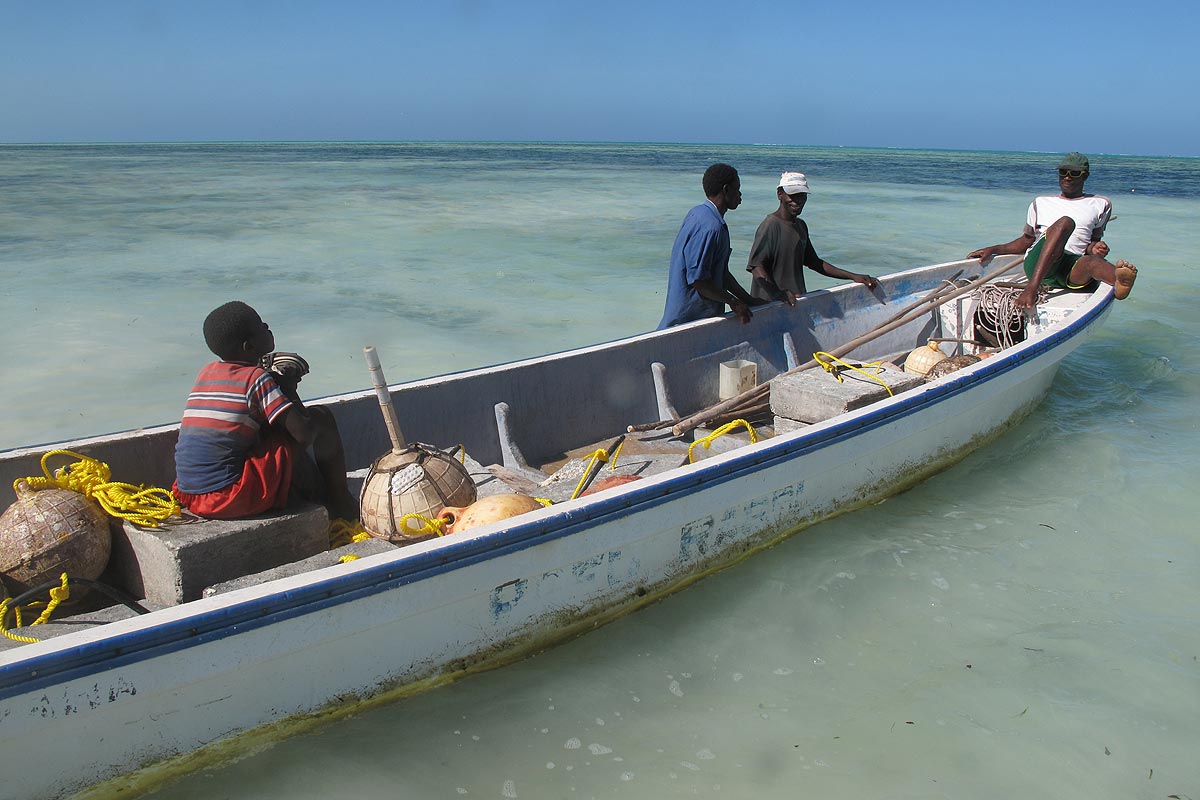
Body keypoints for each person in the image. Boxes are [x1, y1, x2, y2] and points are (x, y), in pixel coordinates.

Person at [173, 301, 358, 522]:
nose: (267, 327)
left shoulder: (207, 372)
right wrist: (287, 389)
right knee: (321, 417)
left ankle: (306, 492)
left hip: (189, 493)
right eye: (261, 326)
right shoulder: (256, 378)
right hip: (229, 496)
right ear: (248, 347)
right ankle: (341, 501)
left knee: (269, 429)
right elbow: (304, 433)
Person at [967, 152, 1138, 308]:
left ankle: (1119, 283)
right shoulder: (1040, 202)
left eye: (1074, 173)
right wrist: (994, 249)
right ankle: (1032, 287)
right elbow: (1027, 240)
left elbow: (1091, 243)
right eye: (1063, 172)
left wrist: (1095, 249)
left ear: (1085, 175)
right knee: (1065, 223)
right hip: (1038, 265)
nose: (1067, 177)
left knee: (1093, 262)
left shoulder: (1101, 204)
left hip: (1069, 267)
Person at [657, 163, 764, 329]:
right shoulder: (711, 227)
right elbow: (699, 280)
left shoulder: (698, 213)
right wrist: (733, 302)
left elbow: (721, 274)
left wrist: (747, 300)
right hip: (688, 323)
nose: (740, 195)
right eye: (737, 189)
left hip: (696, 319)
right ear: (726, 190)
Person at [747, 171, 878, 305]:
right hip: (770, 305)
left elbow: (815, 262)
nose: (797, 201)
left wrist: (853, 276)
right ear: (780, 195)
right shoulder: (770, 225)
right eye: (792, 195)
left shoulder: (800, 226)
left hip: (795, 301)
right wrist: (776, 293)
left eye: (802, 196)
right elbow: (756, 267)